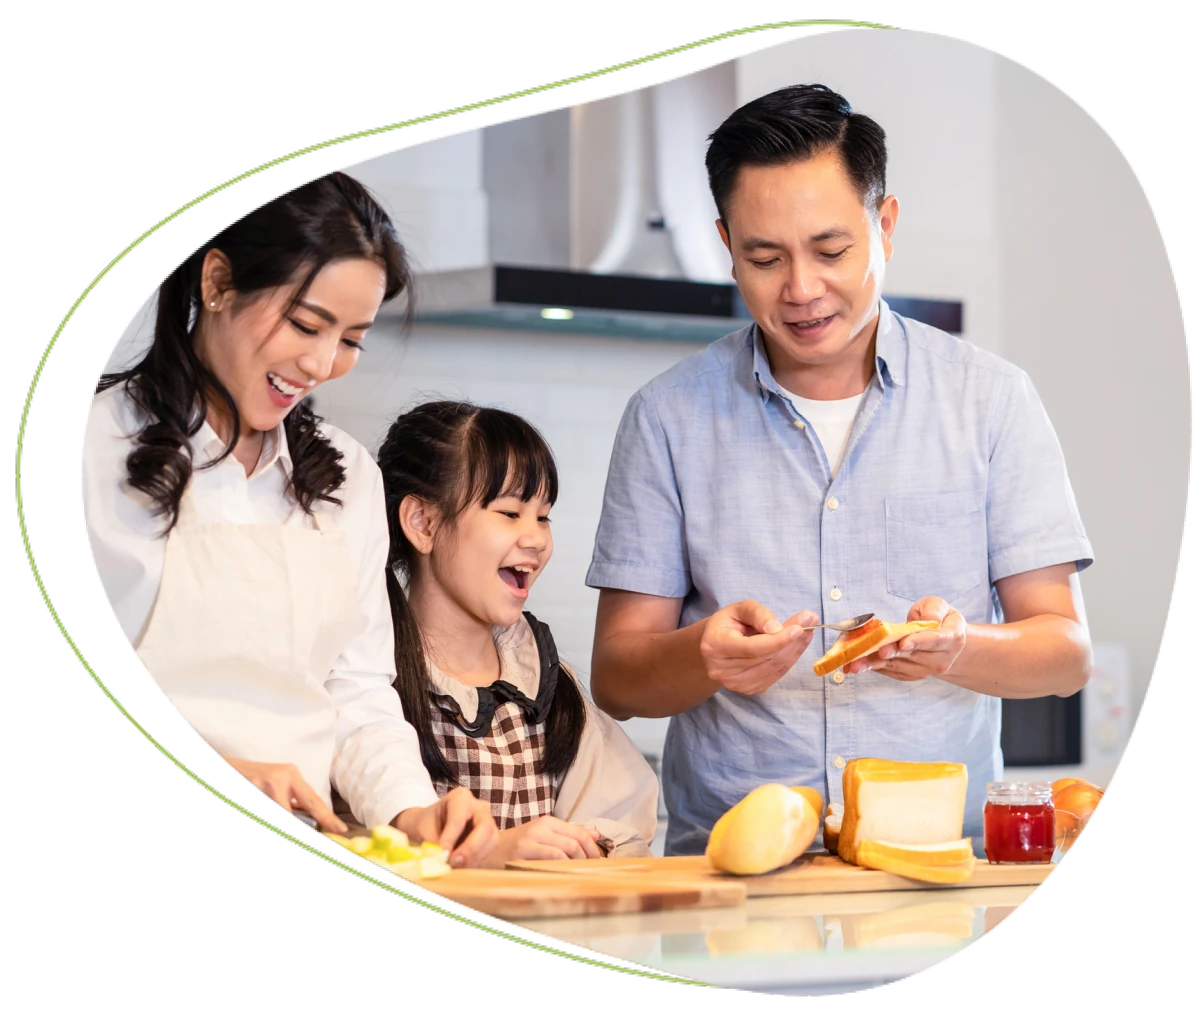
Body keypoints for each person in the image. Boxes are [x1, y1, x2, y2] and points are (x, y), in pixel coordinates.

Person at [586, 84, 1095, 857]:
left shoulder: (990, 400)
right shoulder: (667, 417)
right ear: (727, 243)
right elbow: (618, 679)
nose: (800, 289)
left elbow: (1064, 652)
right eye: (763, 257)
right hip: (731, 877)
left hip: (933, 871)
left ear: (884, 225)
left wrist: (960, 649)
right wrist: (705, 656)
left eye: (831, 251)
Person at [81, 171, 497, 866]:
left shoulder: (350, 479)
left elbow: (356, 690)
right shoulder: (86, 448)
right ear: (216, 283)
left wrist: (411, 809)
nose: (321, 363)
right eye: (306, 324)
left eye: (351, 339)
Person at [377, 401, 660, 866]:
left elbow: (625, 822)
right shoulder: (370, 687)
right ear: (422, 523)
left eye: (543, 515)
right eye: (509, 513)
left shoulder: (550, 686)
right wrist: (489, 856)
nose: (536, 538)